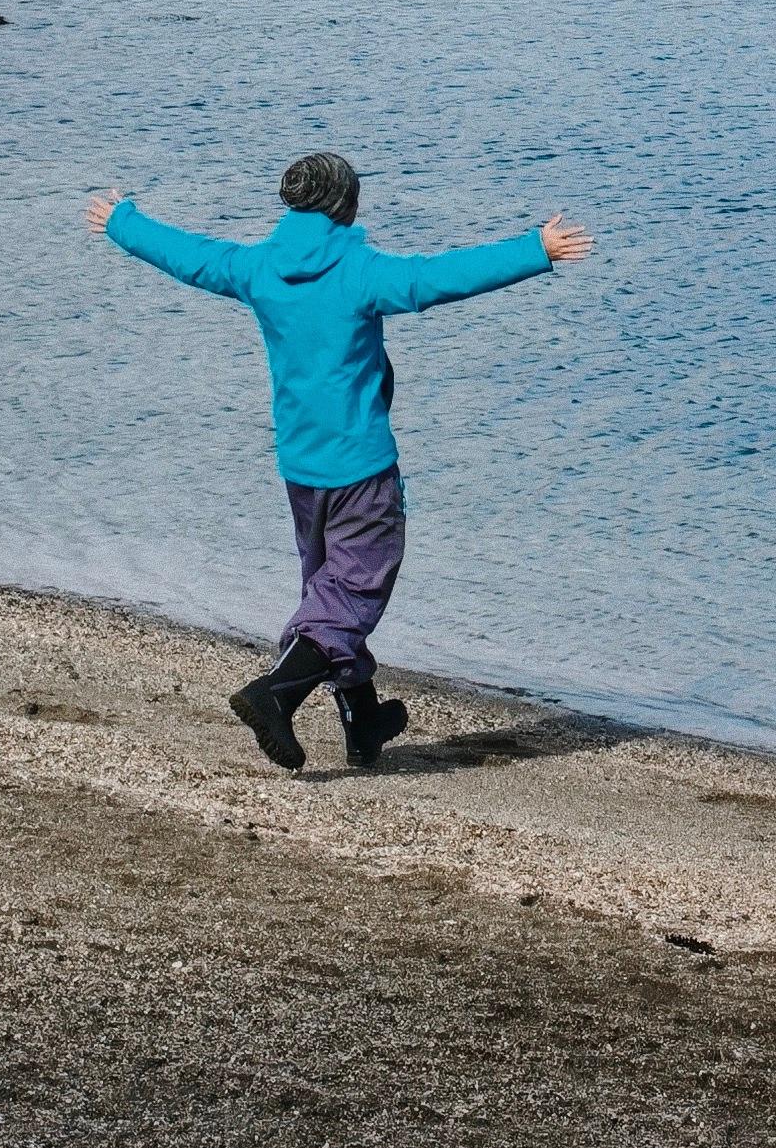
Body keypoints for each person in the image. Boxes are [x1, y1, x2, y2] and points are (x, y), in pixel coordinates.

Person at [85, 147, 588, 772]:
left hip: (300, 468)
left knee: (327, 591)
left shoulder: (257, 268)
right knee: (351, 592)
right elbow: (435, 278)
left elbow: (190, 256)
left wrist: (122, 223)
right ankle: (275, 694)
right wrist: (535, 250)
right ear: (346, 207)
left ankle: (364, 722)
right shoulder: (358, 273)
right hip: (362, 471)